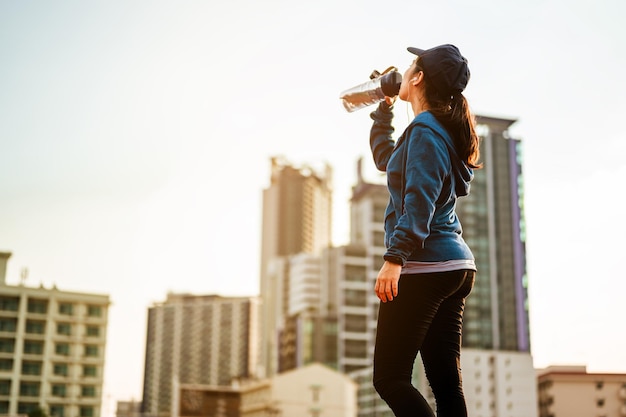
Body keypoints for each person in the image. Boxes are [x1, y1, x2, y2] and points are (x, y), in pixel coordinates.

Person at [369, 44, 481, 417]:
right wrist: (383, 113)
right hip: (454, 266)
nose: (403, 69)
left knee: (390, 377)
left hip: (426, 265)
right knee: (447, 386)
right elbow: (388, 160)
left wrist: (394, 258)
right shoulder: (435, 131)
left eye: (409, 65)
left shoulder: (425, 132)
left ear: (416, 78)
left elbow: (419, 200)